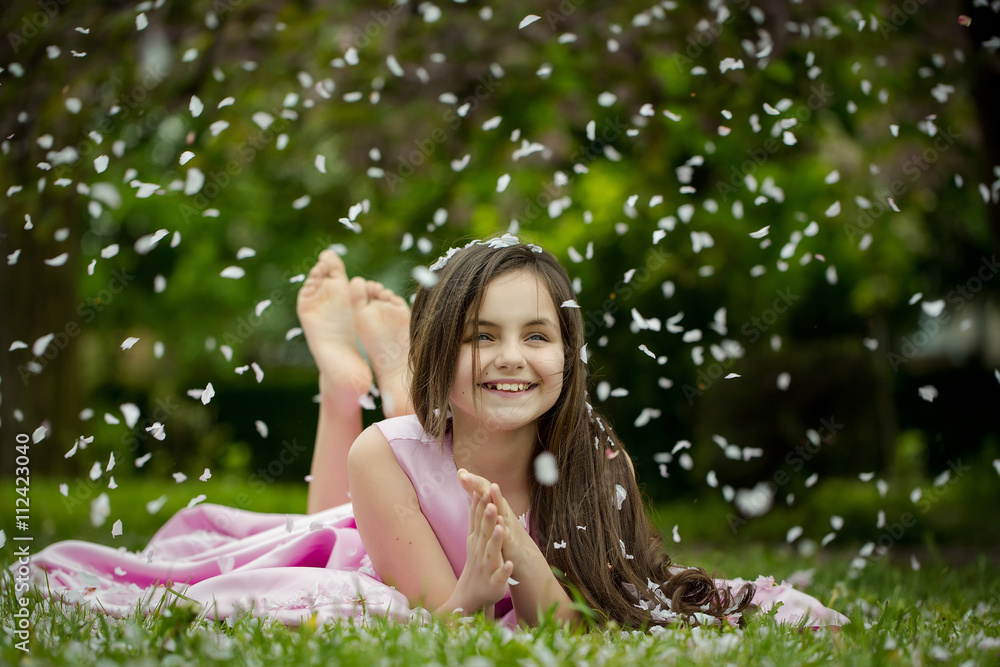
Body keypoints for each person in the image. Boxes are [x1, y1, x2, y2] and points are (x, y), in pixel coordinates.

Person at [22, 234, 848, 629]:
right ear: (446, 338)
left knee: (372, 480)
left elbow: (594, 616)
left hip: (415, 478)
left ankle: (386, 379)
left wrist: (522, 561)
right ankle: (354, 387)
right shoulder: (386, 461)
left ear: (571, 352)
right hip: (385, 532)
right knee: (337, 544)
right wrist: (479, 584)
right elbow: (440, 616)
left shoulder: (595, 455)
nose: (513, 357)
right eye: (480, 334)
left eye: (537, 336)